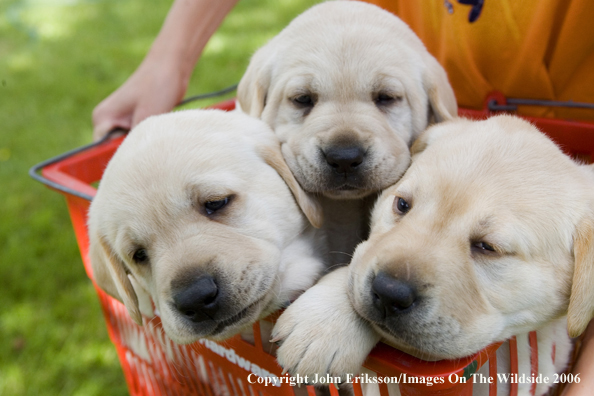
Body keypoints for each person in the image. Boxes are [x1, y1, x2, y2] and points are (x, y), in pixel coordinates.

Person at [91, 1, 594, 394]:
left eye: (385, 99)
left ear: (430, 113)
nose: (344, 145)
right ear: (254, 107)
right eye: (303, 100)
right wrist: (168, 62)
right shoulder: (425, 151)